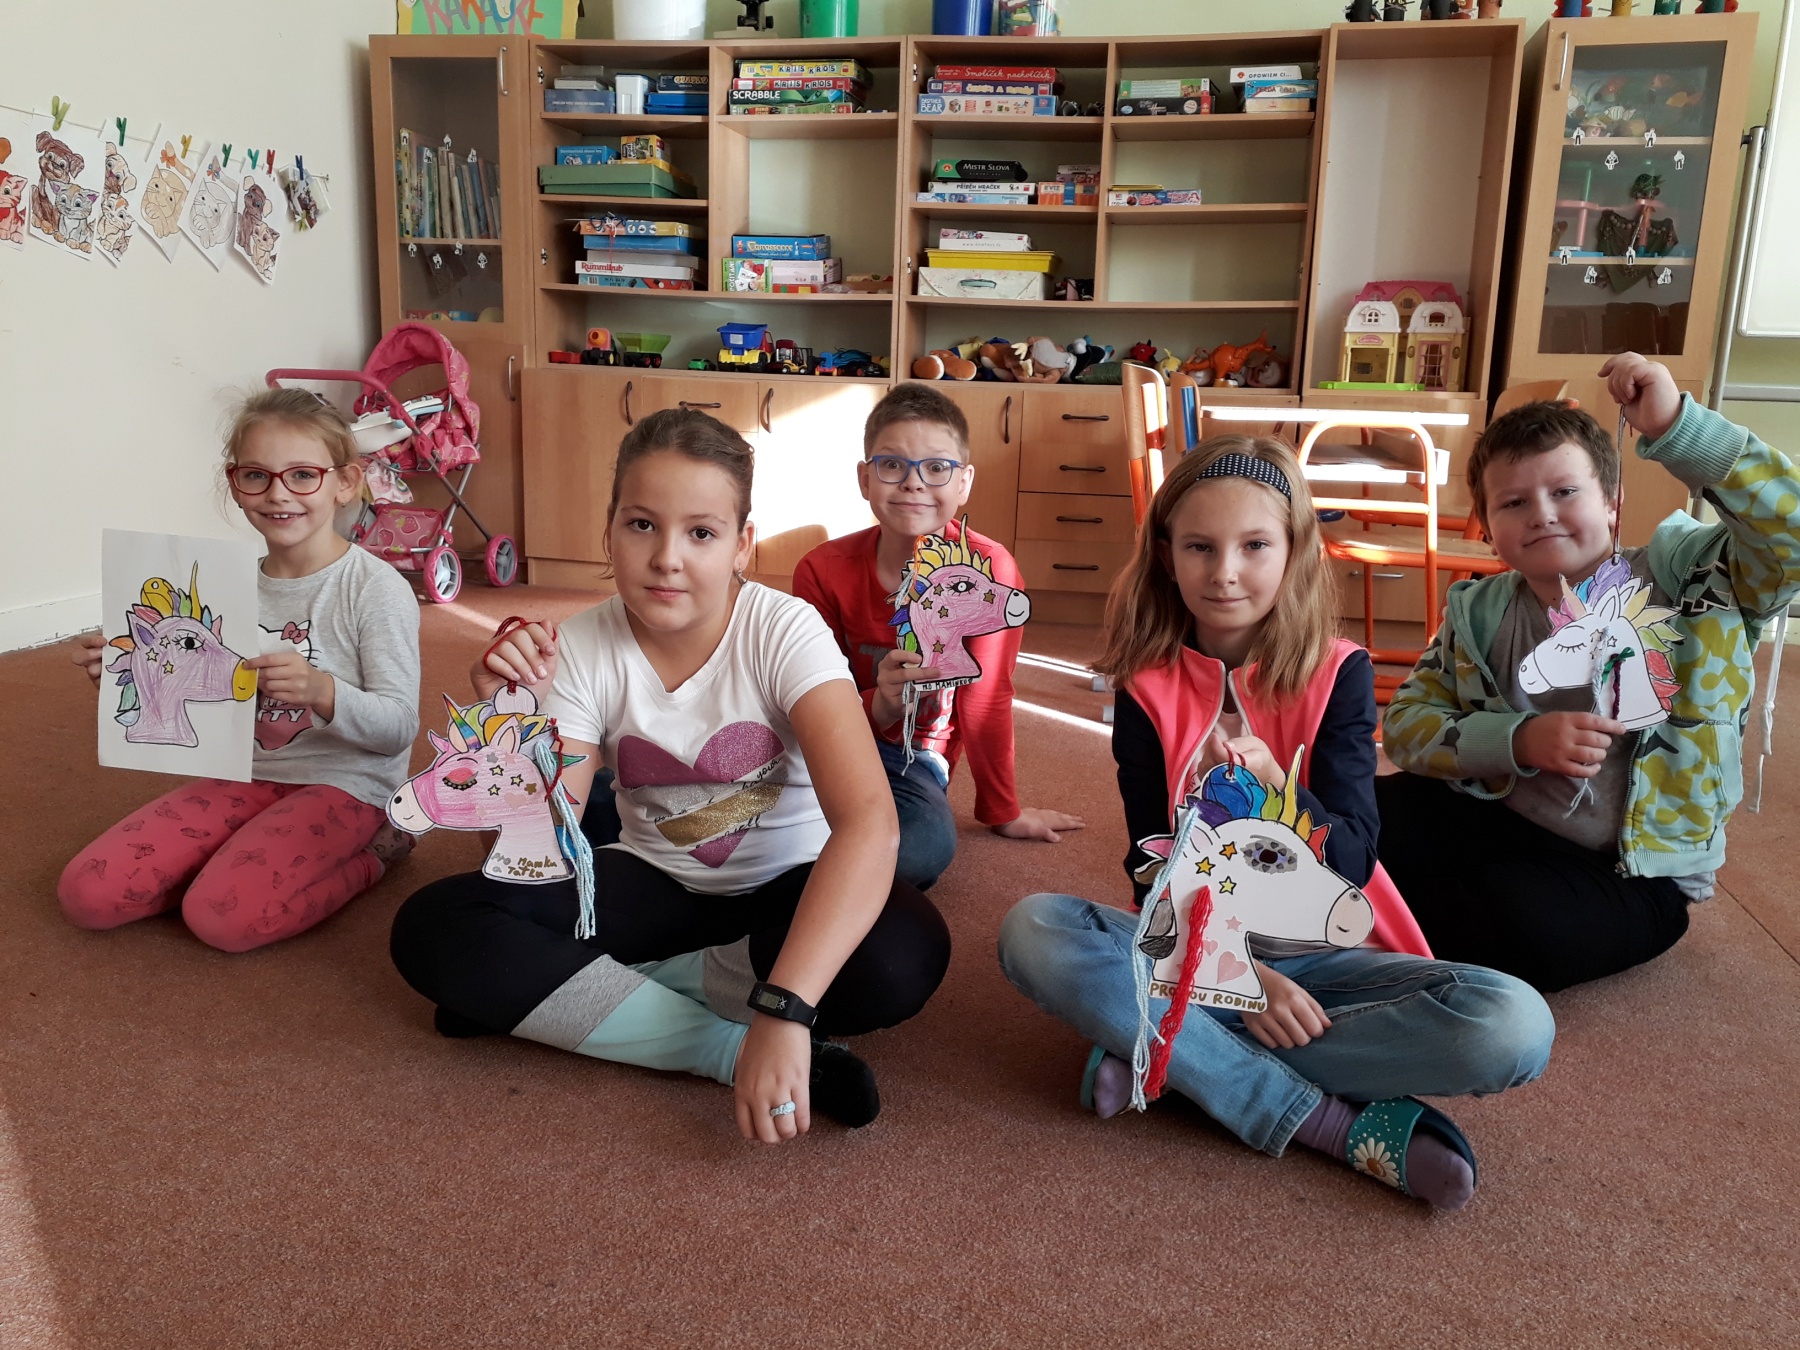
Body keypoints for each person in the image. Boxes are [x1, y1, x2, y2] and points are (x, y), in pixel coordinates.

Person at [998, 436, 1554, 1211]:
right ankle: (1323, 1120)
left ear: (1294, 552)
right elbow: (1149, 867)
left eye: (1254, 546)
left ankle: (1174, 1059)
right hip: (1191, 953)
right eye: (1200, 546)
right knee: (1032, 929)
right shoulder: (1145, 686)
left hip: (1329, 955)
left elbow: (1353, 860)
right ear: (1166, 555)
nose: (1224, 572)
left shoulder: (1341, 672)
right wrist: (1240, 979)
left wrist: (1274, 789)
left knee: (1513, 1025)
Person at [389, 409, 951, 1143]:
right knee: (434, 927)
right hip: (656, 882)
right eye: (642, 525)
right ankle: (720, 1048)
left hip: (787, 892)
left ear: (742, 544)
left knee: (902, 953)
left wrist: (787, 1003)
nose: (667, 559)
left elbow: (870, 823)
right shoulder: (579, 646)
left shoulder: (786, 630)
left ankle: (580, 997)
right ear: (609, 532)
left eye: (702, 533)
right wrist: (512, 736)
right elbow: (542, 854)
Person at [1378, 353, 1800, 991]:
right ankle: (1375, 909)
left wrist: (1678, 427)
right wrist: (1517, 739)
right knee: (1352, 810)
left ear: (1613, 502)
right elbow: (1407, 726)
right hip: (1492, 816)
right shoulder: (1479, 612)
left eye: (1565, 492)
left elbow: (1788, 535)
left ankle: (1380, 917)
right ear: (1489, 530)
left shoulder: (1694, 582)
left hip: (1629, 873)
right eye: (1514, 502)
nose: (1541, 514)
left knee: (1530, 926)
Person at [60, 387, 421, 952]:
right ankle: (220, 867)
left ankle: (379, 853)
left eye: (303, 475)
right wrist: (128, 671)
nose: (278, 494)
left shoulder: (375, 589)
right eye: (256, 475)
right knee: (87, 894)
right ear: (235, 483)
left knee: (222, 919)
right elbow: (200, 690)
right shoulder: (227, 585)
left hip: (347, 783)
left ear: (346, 482)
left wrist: (323, 691)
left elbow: (398, 728)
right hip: (245, 771)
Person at [792, 383, 1084, 890]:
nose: (914, 483)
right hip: (823, 741)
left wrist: (1002, 811)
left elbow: (987, 698)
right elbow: (811, 702)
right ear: (865, 478)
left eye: (936, 467)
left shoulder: (991, 570)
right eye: (892, 465)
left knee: (919, 850)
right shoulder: (821, 569)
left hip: (908, 758)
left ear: (964, 482)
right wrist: (878, 704)